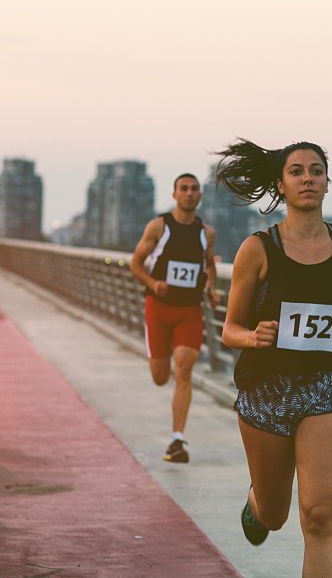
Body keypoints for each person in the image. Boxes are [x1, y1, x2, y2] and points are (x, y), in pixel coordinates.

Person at [217, 139, 332, 578]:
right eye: (297, 171)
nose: (308, 178)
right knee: (276, 515)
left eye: (316, 170)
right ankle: (256, 503)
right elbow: (230, 329)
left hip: (326, 389)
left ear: (327, 182)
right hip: (266, 390)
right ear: (281, 186)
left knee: (319, 517)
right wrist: (253, 336)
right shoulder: (258, 249)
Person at [130, 173, 221, 464]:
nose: (190, 193)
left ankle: (177, 439)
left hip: (189, 311)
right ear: (174, 194)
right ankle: (162, 357)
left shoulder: (206, 233)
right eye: (184, 189)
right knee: (161, 376)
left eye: (195, 189)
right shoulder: (158, 227)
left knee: (184, 371)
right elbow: (135, 262)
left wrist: (211, 289)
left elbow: (208, 264)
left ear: (200, 196)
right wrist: (152, 283)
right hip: (158, 307)